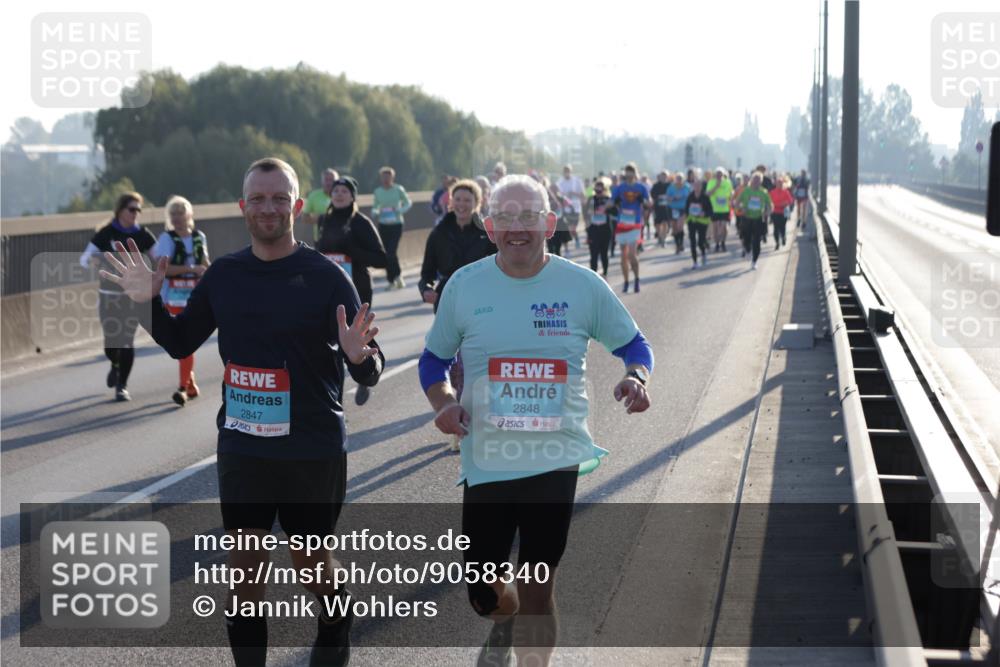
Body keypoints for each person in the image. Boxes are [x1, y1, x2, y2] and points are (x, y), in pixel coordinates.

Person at [100, 157, 384, 667]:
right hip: (243, 444)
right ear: (243, 207)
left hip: (311, 445)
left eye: (279, 199)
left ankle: (335, 620)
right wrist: (147, 305)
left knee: (310, 561)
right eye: (258, 199)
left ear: (296, 206)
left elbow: (368, 364)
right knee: (245, 571)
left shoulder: (326, 277)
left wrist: (361, 359)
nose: (268, 208)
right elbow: (181, 340)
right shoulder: (226, 275)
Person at [418, 174, 652, 667]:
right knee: (483, 593)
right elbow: (433, 360)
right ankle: (505, 620)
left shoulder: (581, 285)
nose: (518, 228)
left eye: (529, 217)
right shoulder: (465, 285)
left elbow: (635, 345)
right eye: (506, 218)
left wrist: (637, 376)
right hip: (488, 459)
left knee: (538, 584)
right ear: (489, 226)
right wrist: (443, 403)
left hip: (555, 456)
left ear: (549, 223)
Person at [418, 179, 497, 452]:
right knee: (453, 368)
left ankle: (478, 420)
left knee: (475, 365)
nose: (462, 205)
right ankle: (460, 426)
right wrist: (425, 289)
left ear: (478, 203)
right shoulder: (439, 233)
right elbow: (426, 273)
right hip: (448, 304)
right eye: (458, 200)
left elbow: (503, 267)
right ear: (450, 202)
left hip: (483, 305)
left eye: (468, 200)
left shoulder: (488, 234)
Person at [79, 192, 157, 401]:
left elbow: (159, 258)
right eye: (132, 209)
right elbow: (84, 260)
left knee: (127, 341)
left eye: (139, 210)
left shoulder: (143, 235)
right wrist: (100, 258)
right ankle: (114, 364)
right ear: (121, 210)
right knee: (111, 342)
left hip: (133, 297)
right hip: (108, 296)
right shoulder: (107, 233)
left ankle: (122, 386)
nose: (136, 214)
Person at [318, 176, 388, 406]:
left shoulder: (361, 222)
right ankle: (334, 401)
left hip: (356, 289)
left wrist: (353, 251)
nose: (339, 194)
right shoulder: (324, 220)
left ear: (352, 197)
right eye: (336, 190)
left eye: (344, 191)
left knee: (356, 338)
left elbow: (381, 259)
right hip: (326, 289)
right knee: (330, 346)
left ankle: (365, 374)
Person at [151, 195, 210, 406]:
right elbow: (163, 269)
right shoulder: (166, 239)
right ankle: (188, 384)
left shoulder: (199, 237)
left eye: (180, 213)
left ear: (189, 214)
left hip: (194, 297)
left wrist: (210, 273)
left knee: (187, 342)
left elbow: (204, 263)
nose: (176, 218)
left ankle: (184, 387)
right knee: (182, 342)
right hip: (173, 297)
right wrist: (190, 269)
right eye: (172, 214)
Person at [611, 163, 650, 292]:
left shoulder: (641, 187)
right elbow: (611, 201)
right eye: (627, 172)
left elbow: (650, 202)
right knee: (623, 255)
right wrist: (604, 206)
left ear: (635, 173)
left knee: (632, 254)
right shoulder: (619, 187)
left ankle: (637, 279)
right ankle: (626, 281)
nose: (629, 174)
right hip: (622, 223)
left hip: (635, 223)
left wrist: (644, 201)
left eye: (631, 171)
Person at [371, 166, 412, 290]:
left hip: (396, 224)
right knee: (386, 253)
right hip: (383, 224)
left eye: (388, 177)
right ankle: (393, 280)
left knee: (391, 251)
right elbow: (376, 206)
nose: (385, 180)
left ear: (392, 178)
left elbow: (408, 202)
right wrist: (375, 212)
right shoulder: (378, 191)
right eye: (383, 177)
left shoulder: (398, 189)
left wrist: (399, 210)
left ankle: (397, 277)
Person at [737, 171, 773, 269]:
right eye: (754, 180)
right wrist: (741, 208)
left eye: (758, 181)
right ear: (751, 180)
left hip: (758, 219)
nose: (756, 182)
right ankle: (747, 248)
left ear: (760, 182)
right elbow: (737, 203)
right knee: (746, 240)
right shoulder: (746, 191)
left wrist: (767, 212)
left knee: (757, 241)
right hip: (747, 218)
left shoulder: (763, 192)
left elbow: (770, 206)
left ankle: (754, 261)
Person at [584, 176, 613, 276]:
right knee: (594, 254)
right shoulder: (591, 199)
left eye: (601, 189)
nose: (598, 192)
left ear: (604, 190)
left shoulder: (608, 200)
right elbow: (586, 214)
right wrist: (587, 228)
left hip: (605, 230)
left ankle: (605, 272)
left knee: (604, 253)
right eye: (597, 189)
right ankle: (593, 274)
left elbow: (615, 212)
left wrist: (607, 208)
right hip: (593, 230)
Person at [300, 168, 339, 241]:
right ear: (322, 181)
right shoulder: (314, 196)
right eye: (326, 180)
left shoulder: (343, 196)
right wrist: (323, 218)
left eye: (332, 180)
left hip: (341, 238)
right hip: (321, 239)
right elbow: (304, 218)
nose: (329, 183)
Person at [685, 176, 713, 268]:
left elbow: (710, 211)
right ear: (693, 186)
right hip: (692, 221)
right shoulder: (690, 196)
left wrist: (704, 214)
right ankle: (695, 262)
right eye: (695, 185)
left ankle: (704, 253)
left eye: (698, 185)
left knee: (701, 242)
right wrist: (686, 215)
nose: (696, 187)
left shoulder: (705, 197)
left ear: (701, 187)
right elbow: (686, 209)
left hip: (702, 222)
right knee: (692, 241)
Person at [557, 165, 585, 250]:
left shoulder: (577, 181)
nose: (566, 172)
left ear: (571, 171)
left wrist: (574, 193)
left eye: (568, 171)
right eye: (565, 171)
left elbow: (583, 195)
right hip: (566, 209)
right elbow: (558, 194)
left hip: (576, 208)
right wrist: (563, 196)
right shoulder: (560, 182)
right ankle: (567, 247)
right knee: (568, 228)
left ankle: (576, 240)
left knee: (573, 228)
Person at [706, 167, 733, 252]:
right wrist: (716, 186)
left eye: (720, 174)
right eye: (717, 174)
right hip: (714, 209)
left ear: (723, 174)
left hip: (725, 209)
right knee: (715, 228)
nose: (719, 176)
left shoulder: (727, 182)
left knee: (724, 227)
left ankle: (723, 242)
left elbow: (731, 193)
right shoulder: (711, 182)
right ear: (715, 174)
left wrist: (731, 197)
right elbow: (708, 193)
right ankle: (717, 244)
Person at [666, 172, 690, 254]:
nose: (679, 180)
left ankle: (681, 244)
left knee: (680, 226)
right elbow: (667, 198)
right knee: (675, 228)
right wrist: (673, 198)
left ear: (683, 180)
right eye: (677, 179)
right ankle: (677, 245)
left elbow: (691, 196)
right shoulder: (671, 187)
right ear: (675, 179)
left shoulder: (687, 187)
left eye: (680, 179)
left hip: (683, 209)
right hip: (672, 208)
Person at [769, 176, 795, 250]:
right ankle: (777, 242)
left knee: (782, 227)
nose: (779, 185)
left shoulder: (786, 192)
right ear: (776, 184)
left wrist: (785, 203)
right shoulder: (772, 192)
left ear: (783, 184)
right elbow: (769, 201)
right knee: (775, 228)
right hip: (775, 212)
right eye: (778, 183)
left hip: (783, 213)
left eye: (781, 183)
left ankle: (783, 237)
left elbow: (791, 201)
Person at [650, 170, 671, 248]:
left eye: (665, 176)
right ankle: (659, 235)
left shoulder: (670, 185)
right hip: (657, 207)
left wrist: (669, 198)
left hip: (667, 207)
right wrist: (658, 197)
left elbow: (672, 194)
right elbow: (652, 194)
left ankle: (663, 238)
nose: (663, 177)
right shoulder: (655, 185)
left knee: (666, 223)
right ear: (660, 177)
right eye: (662, 176)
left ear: (667, 177)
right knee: (658, 223)